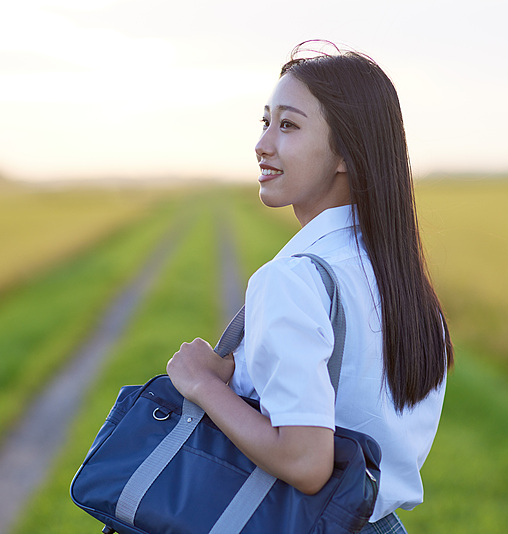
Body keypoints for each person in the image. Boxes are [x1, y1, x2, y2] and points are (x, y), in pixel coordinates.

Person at [167, 41, 453, 533]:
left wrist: (202, 384)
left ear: (346, 153)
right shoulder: (405, 284)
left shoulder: (293, 279)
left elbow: (306, 461)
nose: (263, 144)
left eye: (289, 125)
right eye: (266, 122)